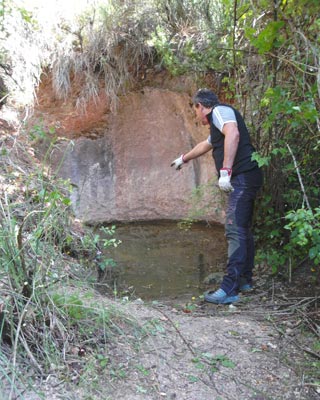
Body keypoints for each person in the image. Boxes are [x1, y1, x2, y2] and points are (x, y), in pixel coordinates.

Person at [171, 88, 263, 304]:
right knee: (242, 229)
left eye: (195, 110)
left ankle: (228, 290)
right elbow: (207, 144)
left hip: (241, 178)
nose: (196, 115)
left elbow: (233, 133)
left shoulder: (219, 112)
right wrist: (183, 159)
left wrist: (226, 171)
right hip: (247, 177)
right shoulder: (217, 122)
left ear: (201, 107)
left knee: (234, 230)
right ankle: (244, 280)